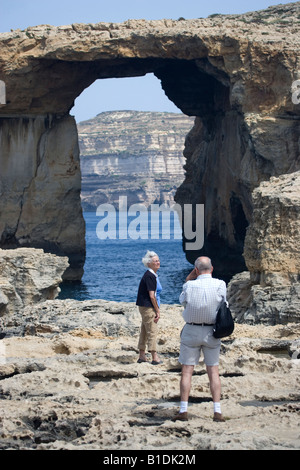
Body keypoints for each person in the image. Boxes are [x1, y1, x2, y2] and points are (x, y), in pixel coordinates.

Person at [174, 256, 227, 422]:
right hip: (212, 331)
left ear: (196, 270)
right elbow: (223, 305)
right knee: (213, 372)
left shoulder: (189, 285)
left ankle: (183, 410)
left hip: (191, 330)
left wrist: (188, 280)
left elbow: (183, 301)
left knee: (187, 372)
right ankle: (217, 411)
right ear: (211, 269)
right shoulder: (220, 285)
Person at [136, 250, 163, 365]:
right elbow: (152, 296)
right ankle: (154, 356)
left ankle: (142, 355)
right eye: (155, 261)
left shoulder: (151, 275)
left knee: (145, 330)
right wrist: (157, 310)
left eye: (158, 260)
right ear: (149, 264)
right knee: (152, 330)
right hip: (148, 307)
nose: (158, 262)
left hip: (144, 306)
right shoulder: (150, 276)